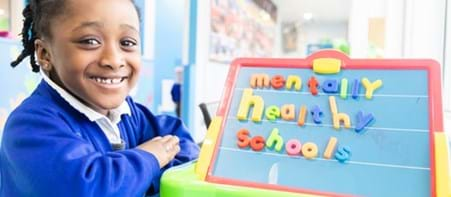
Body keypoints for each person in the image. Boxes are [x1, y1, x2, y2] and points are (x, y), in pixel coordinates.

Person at [0, 0, 199, 196]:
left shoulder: (127, 112)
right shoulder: (30, 126)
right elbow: (89, 188)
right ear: (45, 54)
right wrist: (152, 157)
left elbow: (187, 149)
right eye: (89, 41)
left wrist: (133, 181)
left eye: (127, 43)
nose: (113, 60)